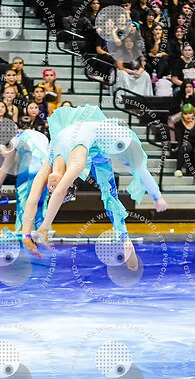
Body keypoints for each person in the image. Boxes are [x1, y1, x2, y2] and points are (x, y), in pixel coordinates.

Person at [22, 105, 167, 268]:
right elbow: (33, 199)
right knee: (109, 191)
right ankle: (125, 239)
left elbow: (52, 193)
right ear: (71, 182)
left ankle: (156, 196)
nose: (50, 189)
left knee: (136, 168)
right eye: (52, 191)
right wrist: (26, 236)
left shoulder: (55, 163)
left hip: (108, 135)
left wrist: (43, 229)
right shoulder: (75, 164)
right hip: (95, 145)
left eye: (51, 191)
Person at [0, 121, 50, 232]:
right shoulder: (43, 136)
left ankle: (25, 234)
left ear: (18, 129)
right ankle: (41, 234)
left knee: (23, 204)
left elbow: (6, 166)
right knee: (40, 205)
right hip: (46, 171)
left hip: (28, 172)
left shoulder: (15, 139)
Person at [173, 103, 195, 177]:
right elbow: (181, 139)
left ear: (193, 113)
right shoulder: (178, 124)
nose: (188, 116)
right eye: (185, 114)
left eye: (190, 113)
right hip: (183, 147)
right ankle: (178, 169)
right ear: (182, 114)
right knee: (187, 145)